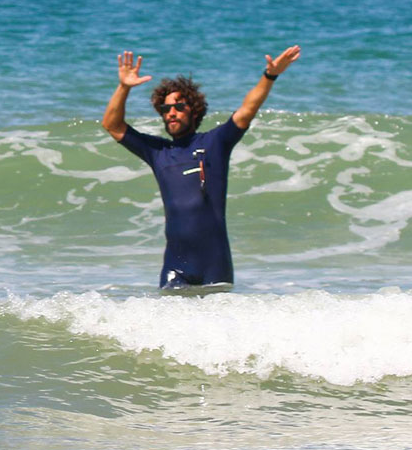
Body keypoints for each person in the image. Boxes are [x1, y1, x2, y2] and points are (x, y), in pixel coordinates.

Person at [101, 46, 301, 291]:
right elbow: (112, 125)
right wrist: (124, 87)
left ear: (193, 110)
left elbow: (247, 110)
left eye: (178, 107)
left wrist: (269, 76)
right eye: (165, 109)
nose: (171, 113)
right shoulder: (158, 152)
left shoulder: (215, 143)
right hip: (175, 266)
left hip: (214, 265)